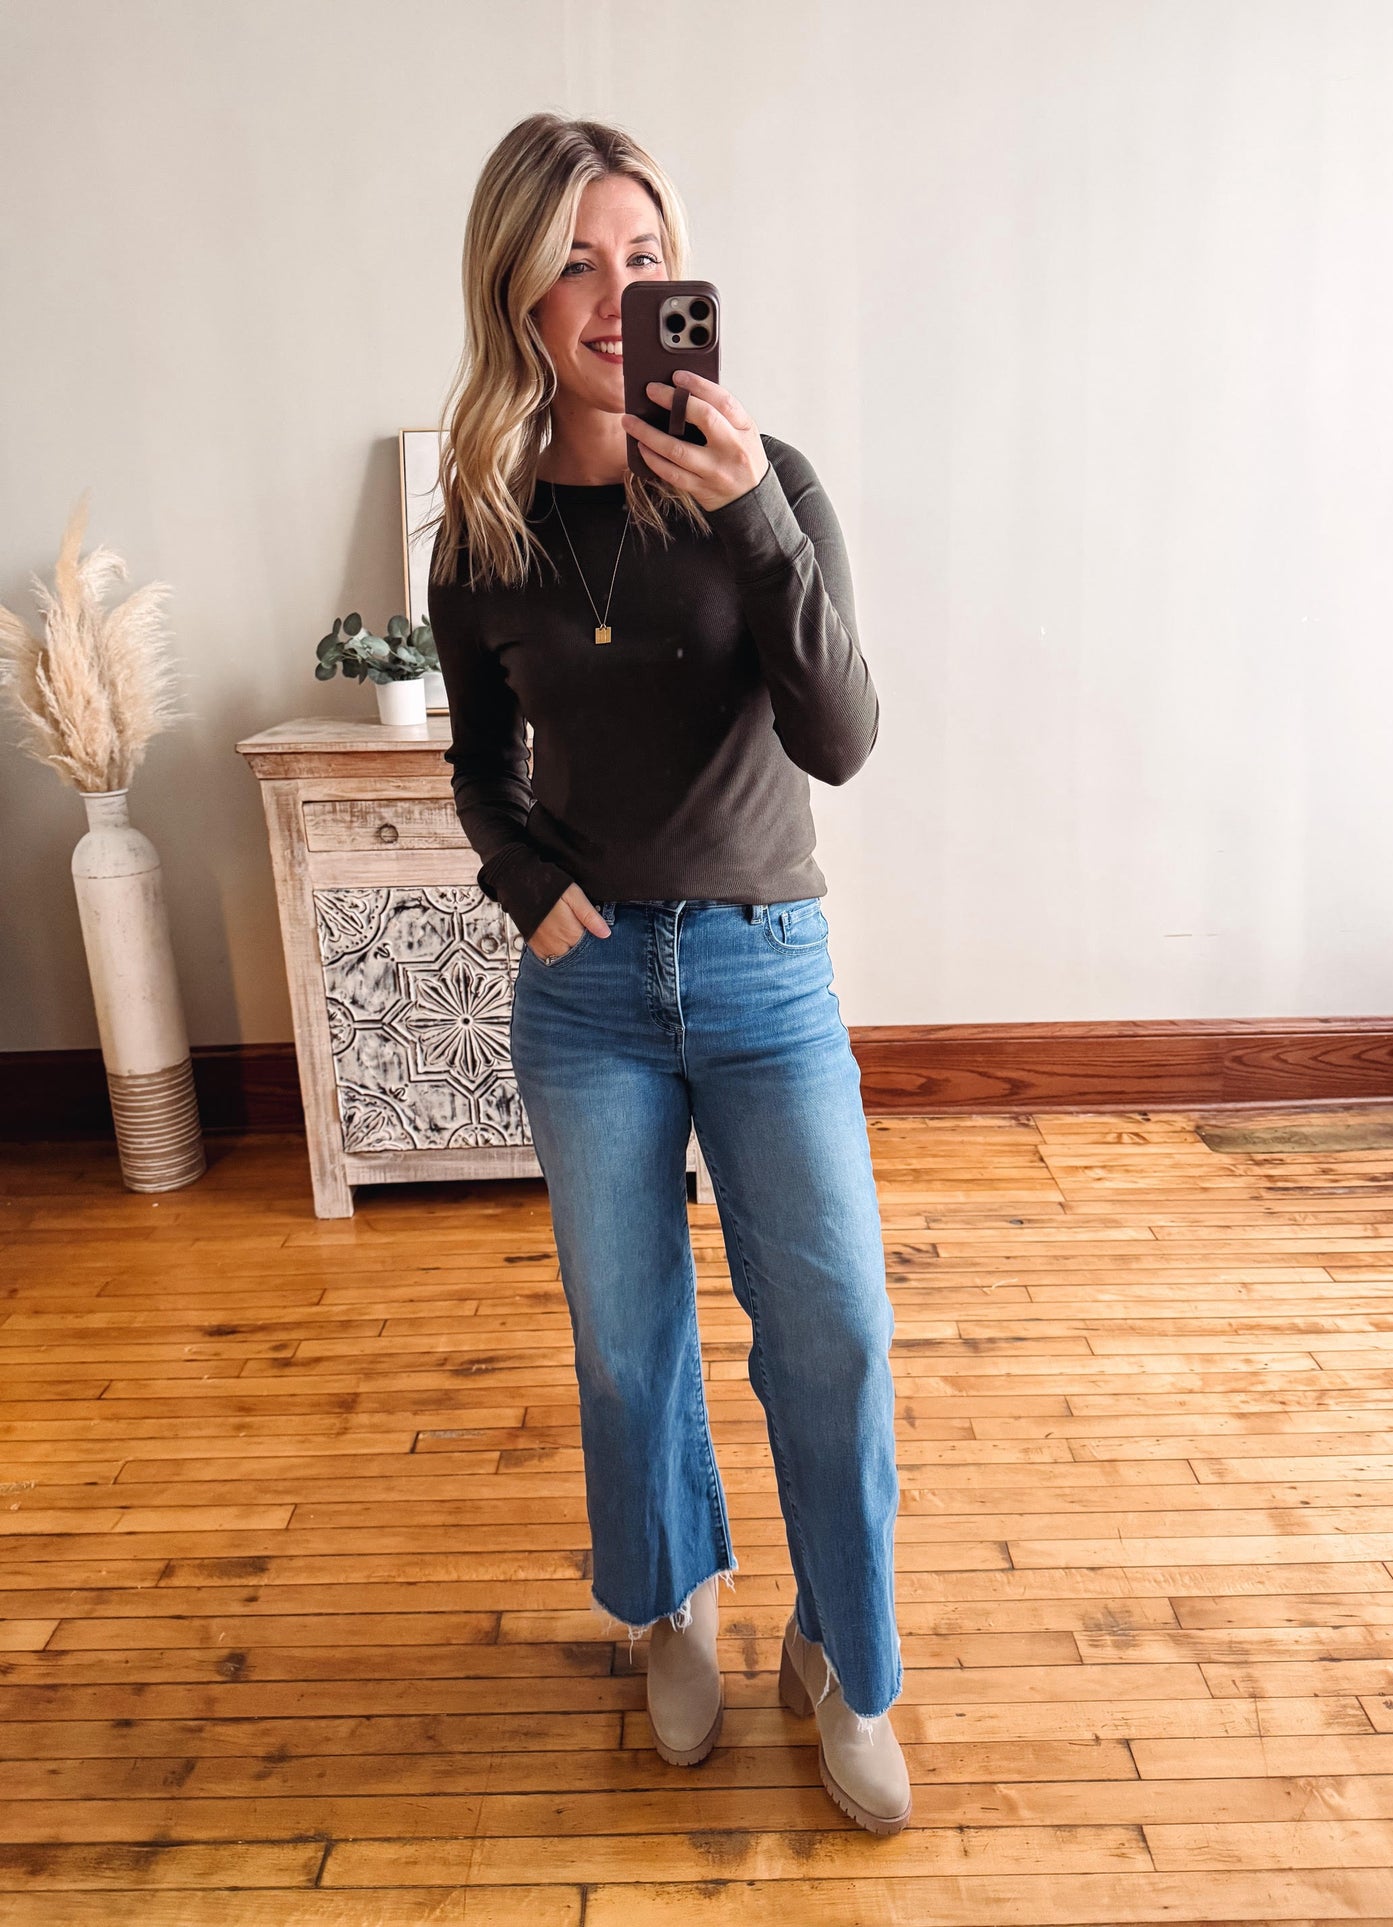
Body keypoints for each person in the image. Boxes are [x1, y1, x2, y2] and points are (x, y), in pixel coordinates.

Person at [426, 111, 909, 1835]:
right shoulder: (479, 523)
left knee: (834, 1337)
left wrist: (756, 521)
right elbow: (479, 765)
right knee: (629, 1352)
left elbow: (842, 739)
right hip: (589, 996)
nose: (612, 292)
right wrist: (523, 885)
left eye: (641, 258)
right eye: (573, 259)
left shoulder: (762, 479)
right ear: (516, 288)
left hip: (768, 971)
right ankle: (677, 1601)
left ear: (678, 280)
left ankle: (848, 1655)